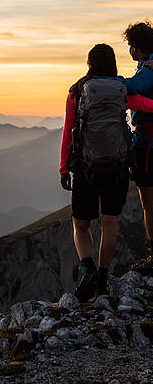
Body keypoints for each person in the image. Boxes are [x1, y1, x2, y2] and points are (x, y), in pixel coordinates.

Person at [60, 43, 153, 302]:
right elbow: (146, 105)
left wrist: (63, 167)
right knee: (109, 221)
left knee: (81, 224)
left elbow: (69, 131)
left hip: (85, 167)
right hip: (117, 167)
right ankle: (102, 275)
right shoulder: (121, 90)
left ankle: (86, 267)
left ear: (89, 64)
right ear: (113, 64)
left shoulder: (77, 91)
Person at [121, 21, 153, 274]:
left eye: (131, 45)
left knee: (148, 201)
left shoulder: (148, 69)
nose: (129, 50)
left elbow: (133, 87)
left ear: (137, 47)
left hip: (148, 143)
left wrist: (106, 79)